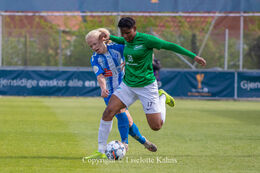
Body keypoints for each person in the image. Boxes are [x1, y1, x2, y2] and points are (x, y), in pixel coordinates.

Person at [98, 16, 206, 153]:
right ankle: (101, 151)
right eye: (122, 33)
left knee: (156, 126)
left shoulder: (147, 40)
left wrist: (193, 56)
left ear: (135, 29)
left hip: (146, 87)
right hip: (128, 85)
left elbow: (170, 46)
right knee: (108, 111)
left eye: (128, 33)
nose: (125, 36)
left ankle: (162, 97)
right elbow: (120, 40)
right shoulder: (126, 40)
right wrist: (108, 36)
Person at [83, 28, 157, 161]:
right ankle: (139, 142)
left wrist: (141, 60)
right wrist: (103, 88)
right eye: (90, 46)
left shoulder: (117, 48)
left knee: (124, 117)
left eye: (95, 44)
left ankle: (126, 143)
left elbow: (137, 50)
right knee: (126, 120)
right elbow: (100, 76)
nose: (93, 47)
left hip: (127, 87)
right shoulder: (95, 58)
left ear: (103, 39)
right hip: (111, 93)